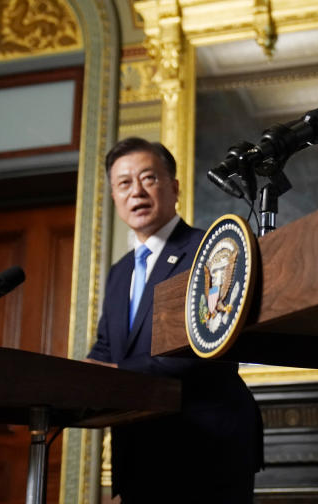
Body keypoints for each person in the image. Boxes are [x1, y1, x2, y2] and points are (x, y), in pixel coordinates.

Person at [87, 137, 263, 503]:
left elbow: (206, 345)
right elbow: (107, 347)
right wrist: (77, 376)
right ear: (114, 198)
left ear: (174, 187)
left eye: (148, 178)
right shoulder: (120, 272)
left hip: (206, 450)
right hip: (140, 450)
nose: (136, 191)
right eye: (124, 183)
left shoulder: (210, 250)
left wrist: (113, 372)